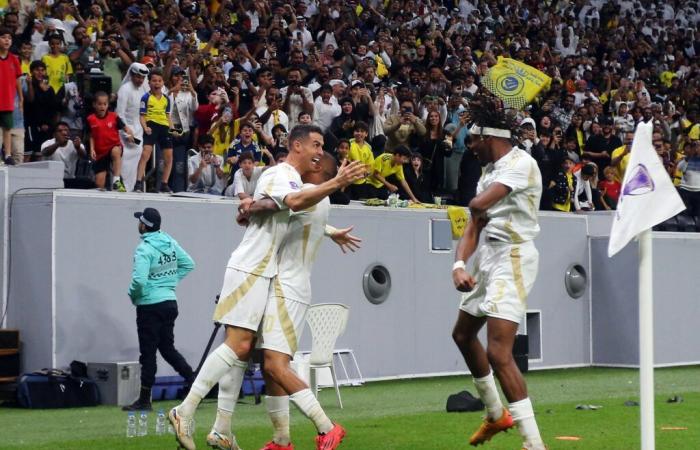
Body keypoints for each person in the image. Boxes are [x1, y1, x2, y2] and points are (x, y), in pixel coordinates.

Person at [168, 125, 366, 450]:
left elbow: (293, 205)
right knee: (242, 349)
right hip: (257, 270)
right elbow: (291, 202)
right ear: (297, 146)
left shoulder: (302, 188)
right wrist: (251, 205)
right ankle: (189, 411)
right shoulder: (282, 174)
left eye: (321, 150)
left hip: (276, 279)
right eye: (315, 145)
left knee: (251, 354)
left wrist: (250, 205)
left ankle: (225, 429)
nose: (318, 152)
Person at [218, 152, 361, 450]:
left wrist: (247, 204)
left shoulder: (309, 193)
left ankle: (328, 427)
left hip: (288, 288)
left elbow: (284, 204)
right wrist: (332, 232)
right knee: (268, 363)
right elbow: (300, 216)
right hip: (284, 285)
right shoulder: (318, 199)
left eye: (315, 159)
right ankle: (281, 439)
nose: (307, 162)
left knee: (275, 365)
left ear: (319, 169)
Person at [451, 95, 546, 450]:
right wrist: (459, 263)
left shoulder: (522, 163)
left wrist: (474, 208)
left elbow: (477, 206)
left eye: (473, 140)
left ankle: (533, 443)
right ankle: (495, 414)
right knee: (462, 335)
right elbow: (474, 224)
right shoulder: (488, 172)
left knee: (498, 352)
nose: (469, 147)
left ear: (490, 138)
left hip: (514, 257)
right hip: (488, 257)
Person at [123, 207, 195, 411]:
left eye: (140, 221)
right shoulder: (170, 242)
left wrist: (134, 296)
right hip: (170, 303)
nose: (138, 223)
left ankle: (145, 400)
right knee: (167, 348)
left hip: (150, 306)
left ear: (144, 225)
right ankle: (194, 382)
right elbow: (188, 264)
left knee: (148, 354)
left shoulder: (144, 249)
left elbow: (139, 281)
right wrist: (169, 284)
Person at [86, 91, 134, 191]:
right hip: (100, 152)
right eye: (99, 104)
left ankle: (116, 180)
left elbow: (126, 128)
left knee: (116, 151)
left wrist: (130, 134)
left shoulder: (114, 117)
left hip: (114, 146)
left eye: (105, 104)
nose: (102, 106)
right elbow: (91, 136)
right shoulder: (90, 119)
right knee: (99, 183)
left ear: (108, 105)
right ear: (94, 104)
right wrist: (92, 149)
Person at [136, 69, 174, 193]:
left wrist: (172, 128)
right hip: (151, 125)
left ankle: (164, 183)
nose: (157, 83)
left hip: (164, 127)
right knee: (145, 154)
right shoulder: (145, 97)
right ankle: (138, 183)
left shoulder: (167, 99)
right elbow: (142, 116)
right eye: (154, 81)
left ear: (163, 83)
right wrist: (145, 127)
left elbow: (168, 116)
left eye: (159, 81)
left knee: (169, 157)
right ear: (149, 82)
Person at [117, 63, 150, 191]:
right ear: (131, 75)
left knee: (137, 159)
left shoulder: (143, 89)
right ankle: (122, 189)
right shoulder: (125, 89)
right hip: (125, 131)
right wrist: (127, 132)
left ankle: (132, 189)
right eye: (138, 77)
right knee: (125, 161)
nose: (140, 80)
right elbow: (119, 114)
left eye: (142, 78)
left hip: (139, 130)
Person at [0, 27, 21, 166]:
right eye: (3, 37)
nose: (7, 40)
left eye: (9, 38)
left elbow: (18, 79)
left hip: (8, 100)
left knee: (7, 128)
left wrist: (21, 98)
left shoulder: (14, 59)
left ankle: (7, 154)